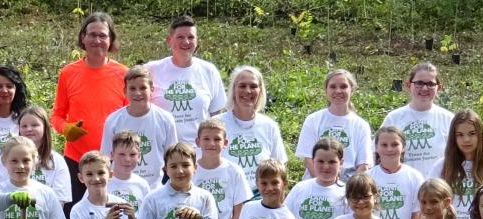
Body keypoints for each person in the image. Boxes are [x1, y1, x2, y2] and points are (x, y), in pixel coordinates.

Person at [51, 11, 128, 204]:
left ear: (110, 40)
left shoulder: (123, 73)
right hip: (77, 160)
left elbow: (131, 118)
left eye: (103, 35)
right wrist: (66, 129)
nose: (97, 40)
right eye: (92, 34)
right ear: (83, 38)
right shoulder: (68, 73)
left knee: (112, 217)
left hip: (112, 162)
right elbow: (57, 116)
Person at [146, 14, 227, 144]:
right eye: (180, 37)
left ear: (197, 40)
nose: (186, 42)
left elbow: (216, 116)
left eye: (191, 37)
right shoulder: (152, 70)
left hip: (200, 152)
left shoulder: (209, 70)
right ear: (169, 40)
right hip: (163, 150)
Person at [428, 109, 483, 219]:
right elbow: (427, 203)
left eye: (472, 134)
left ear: (480, 135)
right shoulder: (440, 167)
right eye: (460, 135)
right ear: (453, 137)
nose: (466, 139)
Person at [100, 65, 178, 188]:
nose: (138, 93)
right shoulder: (113, 120)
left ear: (152, 89)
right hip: (122, 188)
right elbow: (105, 159)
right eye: (132, 88)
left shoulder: (165, 119)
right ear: (125, 91)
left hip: (154, 187)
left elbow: (173, 158)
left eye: (143, 88)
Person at [216, 65, 287, 193]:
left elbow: (279, 167)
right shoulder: (216, 124)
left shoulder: (269, 125)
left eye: (253, 86)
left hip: (261, 196)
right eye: (242, 86)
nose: (248, 91)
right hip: (227, 194)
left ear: (260, 91)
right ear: (233, 89)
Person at [295, 69, 373, 180]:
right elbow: (308, 160)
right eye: (333, 87)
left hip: (348, 187)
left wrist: (348, 190)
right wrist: (325, 184)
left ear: (352, 90)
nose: (338, 91)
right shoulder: (313, 120)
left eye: (343, 86)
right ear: (326, 90)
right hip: (316, 182)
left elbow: (363, 165)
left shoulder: (361, 125)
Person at [381, 63, 454, 175]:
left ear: (438, 87)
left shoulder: (448, 119)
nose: (425, 88)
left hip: (438, 188)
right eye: (419, 83)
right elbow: (378, 153)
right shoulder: (393, 118)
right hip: (404, 186)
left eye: (430, 84)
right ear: (408, 85)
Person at [0, 106, 70, 204]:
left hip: (44, 216)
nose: (29, 129)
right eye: (24, 126)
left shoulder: (57, 160)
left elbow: (60, 200)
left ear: (45, 127)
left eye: (35, 125)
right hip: (10, 214)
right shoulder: (6, 157)